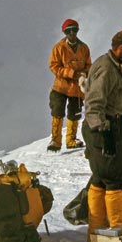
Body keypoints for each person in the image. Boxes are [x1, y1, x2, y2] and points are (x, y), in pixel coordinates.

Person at [82, 29, 122, 234]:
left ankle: (96, 231)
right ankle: (120, 230)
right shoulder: (107, 69)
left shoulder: (113, 65)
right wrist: (103, 132)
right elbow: (93, 103)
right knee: (114, 179)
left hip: (107, 126)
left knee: (100, 177)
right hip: (102, 127)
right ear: (121, 48)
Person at [47, 19, 91, 151]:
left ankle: (71, 140)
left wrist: (83, 73)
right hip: (60, 86)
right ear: (64, 32)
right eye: (68, 30)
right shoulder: (58, 48)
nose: (72, 33)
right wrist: (72, 73)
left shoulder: (84, 48)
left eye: (74, 30)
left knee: (74, 113)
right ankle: (55, 140)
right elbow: (54, 66)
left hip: (77, 88)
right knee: (57, 111)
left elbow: (89, 65)